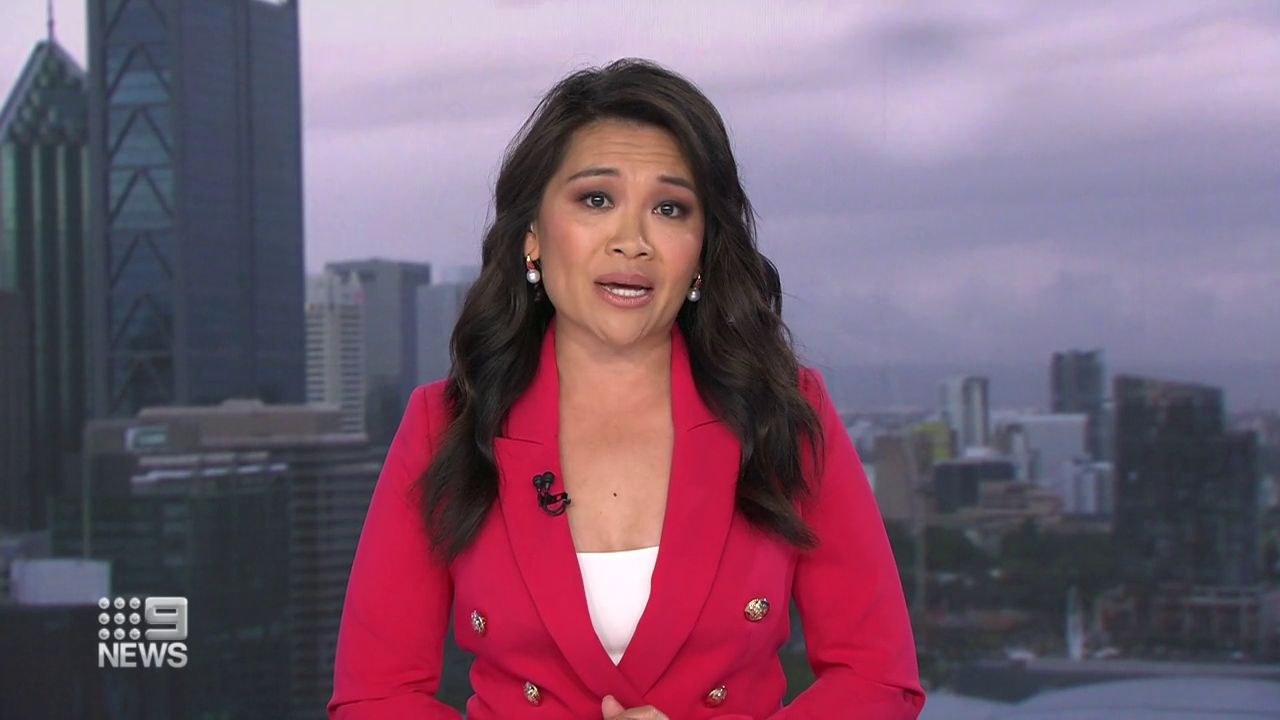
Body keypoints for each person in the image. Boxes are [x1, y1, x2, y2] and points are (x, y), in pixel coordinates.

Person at [327, 57, 925, 719]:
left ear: (701, 249)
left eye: (670, 209)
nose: (632, 241)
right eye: (596, 199)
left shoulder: (782, 411)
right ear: (532, 237)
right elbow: (375, 696)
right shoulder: (446, 425)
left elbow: (878, 678)